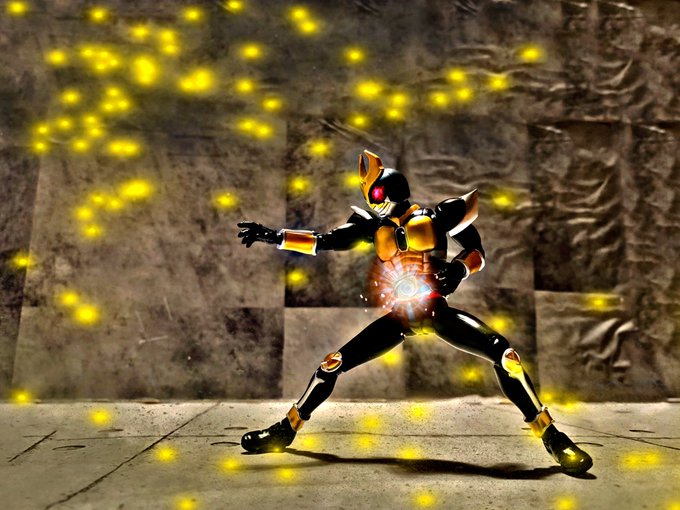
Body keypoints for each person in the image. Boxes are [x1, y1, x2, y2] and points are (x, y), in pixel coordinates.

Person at [236, 150, 592, 475]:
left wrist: (458, 269)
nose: (373, 200)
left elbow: (476, 251)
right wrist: (273, 236)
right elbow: (323, 241)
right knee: (332, 364)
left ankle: (553, 437)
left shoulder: (438, 216)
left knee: (506, 356)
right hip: (400, 316)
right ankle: (285, 430)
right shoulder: (372, 227)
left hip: (435, 309)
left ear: (388, 189)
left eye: (375, 192)